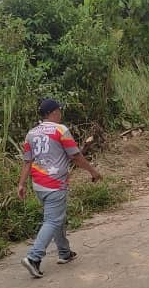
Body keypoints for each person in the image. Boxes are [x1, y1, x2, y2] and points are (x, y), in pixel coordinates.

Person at [18, 99, 102, 278]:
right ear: (54, 112)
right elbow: (76, 156)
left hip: (38, 186)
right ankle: (33, 257)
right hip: (55, 184)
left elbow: (27, 162)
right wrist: (93, 172)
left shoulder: (31, 134)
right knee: (53, 221)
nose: (61, 114)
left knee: (56, 218)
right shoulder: (60, 130)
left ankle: (64, 252)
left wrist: (21, 184)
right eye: (59, 111)